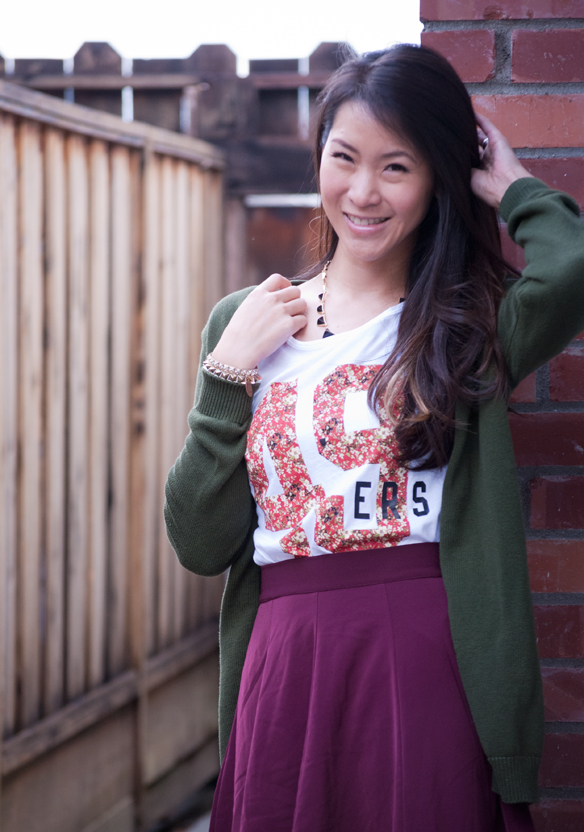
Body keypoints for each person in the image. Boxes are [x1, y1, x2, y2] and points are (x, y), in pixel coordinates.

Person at [165, 44, 584, 832]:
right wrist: (228, 375)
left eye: (398, 167)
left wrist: (511, 185)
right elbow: (198, 541)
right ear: (318, 155)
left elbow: (573, 270)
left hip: (428, 654)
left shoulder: (470, 323)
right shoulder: (245, 324)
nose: (362, 192)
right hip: (286, 660)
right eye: (344, 158)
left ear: (437, 182)